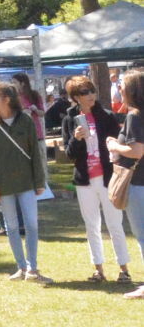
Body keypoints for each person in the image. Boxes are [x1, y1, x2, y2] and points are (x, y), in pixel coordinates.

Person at [63, 75, 132, 282]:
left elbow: (117, 146)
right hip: (85, 179)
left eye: (92, 91)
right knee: (91, 225)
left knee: (115, 223)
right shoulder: (69, 119)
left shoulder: (106, 116)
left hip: (107, 177)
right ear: (76, 97)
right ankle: (98, 270)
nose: (91, 95)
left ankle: (124, 269)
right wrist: (76, 139)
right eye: (84, 92)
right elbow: (69, 154)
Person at [0, 80, 51, 282]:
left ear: (7, 99)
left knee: (31, 224)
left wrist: (39, 181)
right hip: (3, 185)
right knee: (11, 227)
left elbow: (35, 154)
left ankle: (33, 268)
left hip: (27, 182)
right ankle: (21, 266)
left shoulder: (26, 121)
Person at [109, 68, 144, 298]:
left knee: (142, 235)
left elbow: (137, 151)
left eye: (122, 84)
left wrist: (114, 145)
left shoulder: (134, 115)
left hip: (138, 183)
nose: (118, 87)